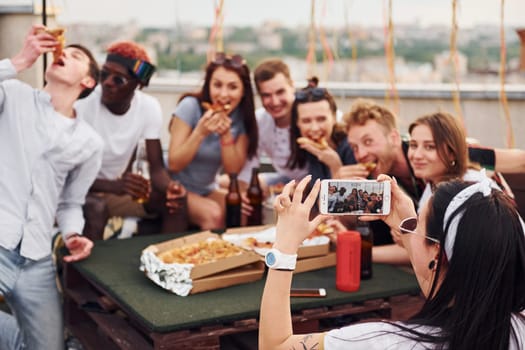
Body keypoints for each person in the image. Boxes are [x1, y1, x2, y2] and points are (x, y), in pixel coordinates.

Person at [259, 175, 525, 349]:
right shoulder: (517, 327)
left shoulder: (384, 342)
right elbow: (438, 274)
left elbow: (275, 345)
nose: (411, 228)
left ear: (437, 252)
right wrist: (410, 224)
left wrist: (284, 246)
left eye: (419, 223)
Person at [0, 25, 103, 349]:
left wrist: (73, 235)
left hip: (36, 259)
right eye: (63, 51)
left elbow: (71, 203)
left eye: (75, 56)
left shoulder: (89, 143)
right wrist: (19, 60)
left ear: (88, 82)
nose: (64, 55)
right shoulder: (13, 95)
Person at [340, 98, 525, 245]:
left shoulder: (453, 157)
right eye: (354, 147)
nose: (361, 154)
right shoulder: (381, 179)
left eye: (368, 142)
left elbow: (520, 162)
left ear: (395, 138)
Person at [75, 41, 187, 240]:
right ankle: (88, 271)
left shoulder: (148, 107)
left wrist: (172, 188)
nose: (107, 82)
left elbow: (157, 170)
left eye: (118, 79)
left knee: (173, 203)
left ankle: (167, 263)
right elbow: (68, 175)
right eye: (104, 74)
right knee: (96, 208)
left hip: (113, 192)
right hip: (79, 192)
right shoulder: (82, 104)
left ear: (138, 85)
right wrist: (115, 187)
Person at [168, 52, 258, 229]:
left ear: (243, 91)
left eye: (232, 87)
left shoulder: (242, 118)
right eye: (217, 85)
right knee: (213, 214)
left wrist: (226, 135)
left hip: (207, 188)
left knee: (241, 209)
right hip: (174, 185)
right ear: (208, 85)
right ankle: (208, 255)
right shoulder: (190, 106)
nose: (223, 94)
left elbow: (233, 170)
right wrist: (200, 132)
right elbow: (174, 164)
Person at [236, 58, 308, 192]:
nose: (275, 102)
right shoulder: (260, 121)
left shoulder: (310, 113)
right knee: (225, 182)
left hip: (317, 181)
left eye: (280, 92)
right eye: (267, 95)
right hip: (286, 179)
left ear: (292, 86)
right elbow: (249, 167)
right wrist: (244, 194)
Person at [287, 78, 356, 182]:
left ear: (334, 117)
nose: (314, 128)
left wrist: (335, 166)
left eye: (321, 119)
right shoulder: (309, 148)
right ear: (297, 123)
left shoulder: (352, 148)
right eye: (306, 121)